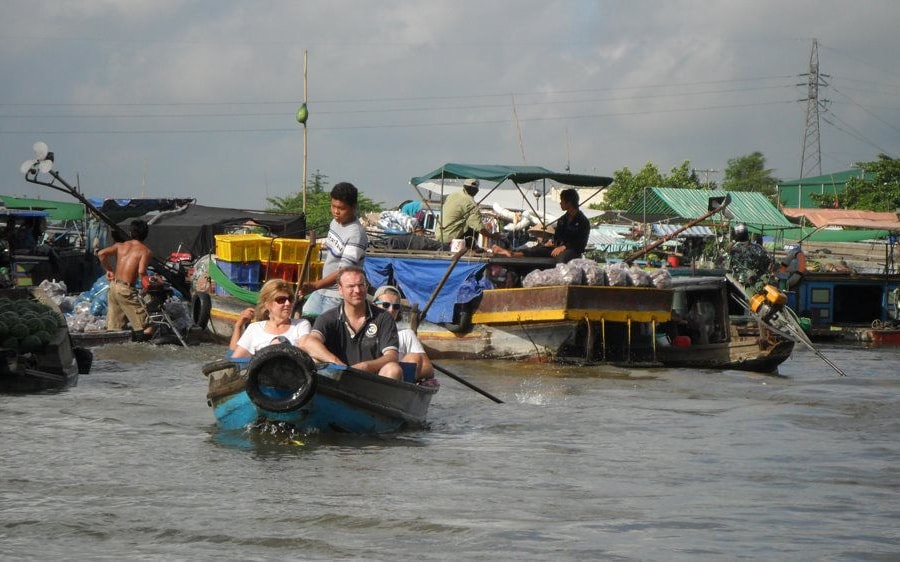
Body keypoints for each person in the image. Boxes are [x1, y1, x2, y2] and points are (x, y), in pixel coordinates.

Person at [300, 266, 403, 380]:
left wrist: (366, 366)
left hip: (373, 381)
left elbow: (392, 356)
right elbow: (307, 342)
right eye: (351, 286)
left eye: (361, 285)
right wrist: (339, 365)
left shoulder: (384, 317)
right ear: (340, 289)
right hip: (337, 378)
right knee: (315, 358)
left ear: (366, 287)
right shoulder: (328, 318)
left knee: (393, 369)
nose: (357, 290)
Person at [300, 182, 368, 317]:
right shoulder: (334, 223)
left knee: (327, 329)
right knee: (305, 319)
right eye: (333, 206)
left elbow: (343, 272)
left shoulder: (356, 234)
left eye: (341, 208)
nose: (336, 212)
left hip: (337, 295)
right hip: (322, 290)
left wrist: (315, 285)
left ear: (353, 208)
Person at [491, 189, 590, 263]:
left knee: (562, 258)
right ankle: (511, 254)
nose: (560, 203)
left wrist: (564, 247)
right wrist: (552, 243)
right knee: (535, 250)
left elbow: (580, 244)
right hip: (556, 249)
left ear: (569, 203)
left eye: (562, 201)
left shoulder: (582, 221)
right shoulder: (562, 220)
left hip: (572, 252)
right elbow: (557, 238)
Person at [97, 219, 156, 339]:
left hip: (113, 287)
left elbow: (101, 254)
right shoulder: (145, 251)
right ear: (146, 234)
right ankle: (143, 353)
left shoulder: (120, 246)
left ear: (130, 233)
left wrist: (108, 270)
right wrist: (148, 286)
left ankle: (114, 351)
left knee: (114, 328)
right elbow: (141, 272)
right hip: (126, 290)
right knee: (148, 326)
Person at [230, 279, 312, 358]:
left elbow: (305, 353)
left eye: (290, 299)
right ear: (267, 304)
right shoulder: (254, 328)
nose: (287, 303)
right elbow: (235, 360)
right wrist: (238, 326)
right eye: (281, 300)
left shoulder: (301, 325)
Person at [372, 285, 434, 380]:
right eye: (386, 305)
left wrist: (401, 370)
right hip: (368, 377)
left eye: (396, 307)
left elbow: (428, 369)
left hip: (396, 380)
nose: (391, 310)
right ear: (374, 306)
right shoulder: (364, 331)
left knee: (414, 358)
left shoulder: (406, 334)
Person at [434, 178, 501, 250]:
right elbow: (479, 228)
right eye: (476, 190)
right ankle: (471, 248)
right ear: (476, 191)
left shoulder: (452, 195)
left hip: (439, 234)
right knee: (473, 225)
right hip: (450, 239)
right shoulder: (470, 203)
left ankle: (471, 247)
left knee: (469, 221)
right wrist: (492, 236)